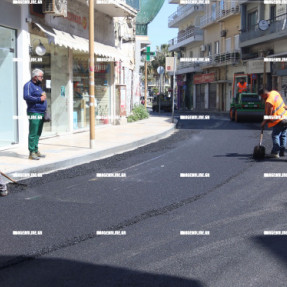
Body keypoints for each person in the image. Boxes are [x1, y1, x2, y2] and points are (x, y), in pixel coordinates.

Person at [23, 69, 47, 160]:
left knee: (38, 132)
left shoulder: (38, 86)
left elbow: (41, 96)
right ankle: (31, 152)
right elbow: (26, 96)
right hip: (34, 111)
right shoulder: (28, 85)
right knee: (33, 132)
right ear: (35, 77)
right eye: (41, 77)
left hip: (41, 112)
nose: (42, 78)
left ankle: (36, 150)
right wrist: (39, 99)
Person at [259, 88, 287, 158]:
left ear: (264, 94)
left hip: (278, 120)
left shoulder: (269, 101)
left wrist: (264, 122)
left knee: (275, 135)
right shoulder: (275, 93)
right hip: (286, 117)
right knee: (283, 135)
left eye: (262, 96)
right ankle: (282, 151)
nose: (262, 98)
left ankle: (275, 152)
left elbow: (269, 115)